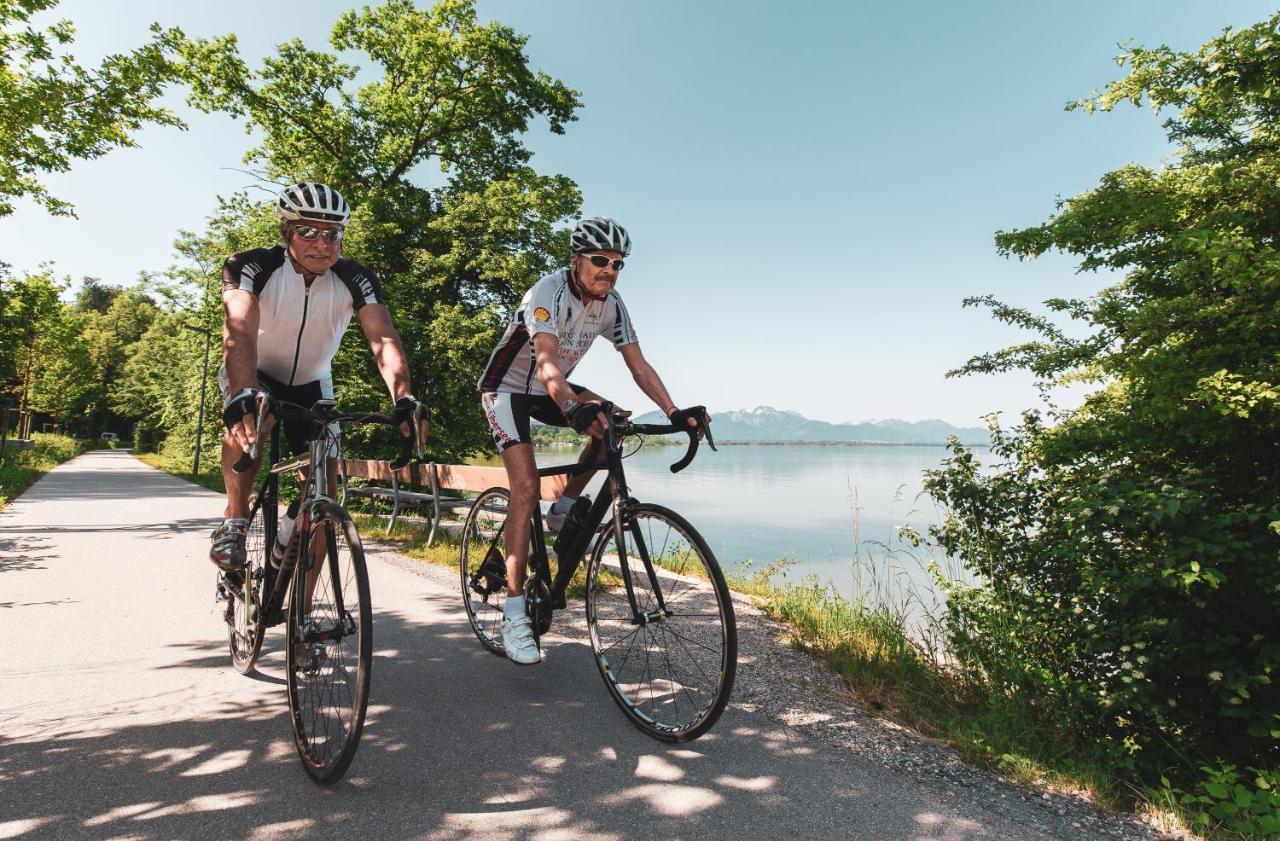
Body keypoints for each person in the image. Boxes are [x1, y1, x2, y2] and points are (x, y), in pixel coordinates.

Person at [477, 216, 707, 664]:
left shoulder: (612, 305)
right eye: (600, 261)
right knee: (524, 487)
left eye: (618, 264)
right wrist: (572, 407)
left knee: (613, 420)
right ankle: (513, 610)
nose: (609, 270)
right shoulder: (547, 292)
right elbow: (544, 361)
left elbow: (638, 366)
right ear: (576, 260)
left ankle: (563, 508)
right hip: (507, 389)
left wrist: (674, 411)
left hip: (551, 389)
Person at [210, 182, 425, 570]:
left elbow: (384, 340)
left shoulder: (355, 278)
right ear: (285, 232)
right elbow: (239, 327)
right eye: (309, 231)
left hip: (312, 383)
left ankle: (303, 613)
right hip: (253, 370)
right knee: (253, 419)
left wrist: (404, 397)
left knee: (327, 492)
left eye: (333, 234)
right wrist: (242, 390)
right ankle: (236, 520)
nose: (322, 243)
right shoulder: (251, 266)